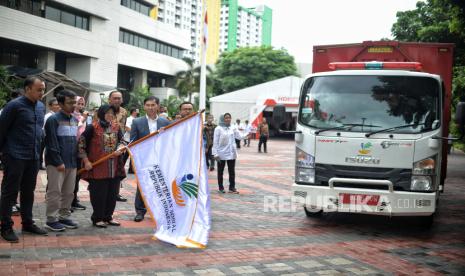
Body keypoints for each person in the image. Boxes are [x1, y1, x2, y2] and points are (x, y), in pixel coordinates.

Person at [0, 76, 48, 242]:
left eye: (43, 89)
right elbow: (2, 130)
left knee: (28, 191)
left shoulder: (41, 107)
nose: (42, 93)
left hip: (33, 156)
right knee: (9, 191)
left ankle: (27, 223)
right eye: (39, 89)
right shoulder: (14, 106)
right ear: (27, 89)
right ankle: (5, 226)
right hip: (14, 155)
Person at [78, 104, 126, 228]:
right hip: (97, 168)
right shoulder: (92, 127)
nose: (110, 115)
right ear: (101, 114)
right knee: (99, 194)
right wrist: (86, 161)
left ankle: (108, 217)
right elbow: (81, 144)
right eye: (107, 113)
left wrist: (120, 148)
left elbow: (123, 141)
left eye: (112, 113)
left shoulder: (116, 127)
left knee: (112, 194)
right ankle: (97, 218)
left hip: (114, 168)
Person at [44, 90, 79, 231]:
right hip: (56, 164)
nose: (73, 105)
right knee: (54, 192)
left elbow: (75, 142)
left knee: (69, 192)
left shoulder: (75, 120)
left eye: (74, 102)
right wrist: (58, 162)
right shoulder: (53, 120)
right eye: (70, 103)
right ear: (60, 103)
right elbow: (51, 143)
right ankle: (51, 219)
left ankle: (64, 216)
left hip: (71, 162)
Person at [131, 96, 170, 222]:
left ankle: (159, 210)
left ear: (158, 106)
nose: (150, 107)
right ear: (144, 107)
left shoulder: (165, 122)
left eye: (153, 105)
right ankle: (140, 211)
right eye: (148, 105)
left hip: (160, 159)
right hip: (144, 159)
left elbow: (169, 142)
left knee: (160, 184)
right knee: (142, 185)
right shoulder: (137, 122)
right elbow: (133, 141)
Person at [212, 113, 249, 194]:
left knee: (232, 171)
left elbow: (239, 136)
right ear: (223, 119)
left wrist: (247, 134)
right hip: (221, 153)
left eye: (229, 118)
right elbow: (215, 142)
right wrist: (215, 153)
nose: (228, 119)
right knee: (220, 171)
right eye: (226, 118)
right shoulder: (218, 129)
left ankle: (232, 187)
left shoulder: (233, 127)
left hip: (231, 153)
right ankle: (221, 187)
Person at [108, 91, 128, 202]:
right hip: (105, 145)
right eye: (114, 98)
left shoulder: (124, 112)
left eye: (119, 98)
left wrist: (122, 144)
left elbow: (123, 127)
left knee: (119, 170)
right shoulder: (103, 110)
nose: (117, 100)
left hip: (119, 144)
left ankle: (116, 193)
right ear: (109, 99)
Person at [71, 96, 87, 211]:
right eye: (78, 103)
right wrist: (82, 121)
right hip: (70, 149)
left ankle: (74, 199)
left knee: (77, 175)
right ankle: (67, 201)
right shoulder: (70, 115)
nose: (81, 106)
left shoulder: (82, 117)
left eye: (82, 104)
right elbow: (73, 130)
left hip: (80, 149)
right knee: (70, 176)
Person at [123, 108, 138, 174]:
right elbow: (127, 128)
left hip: (134, 139)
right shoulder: (129, 119)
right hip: (129, 139)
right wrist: (134, 132)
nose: (138, 112)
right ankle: (121, 167)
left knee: (132, 154)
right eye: (137, 110)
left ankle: (131, 169)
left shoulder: (136, 119)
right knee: (127, 154)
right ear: (134, 111)